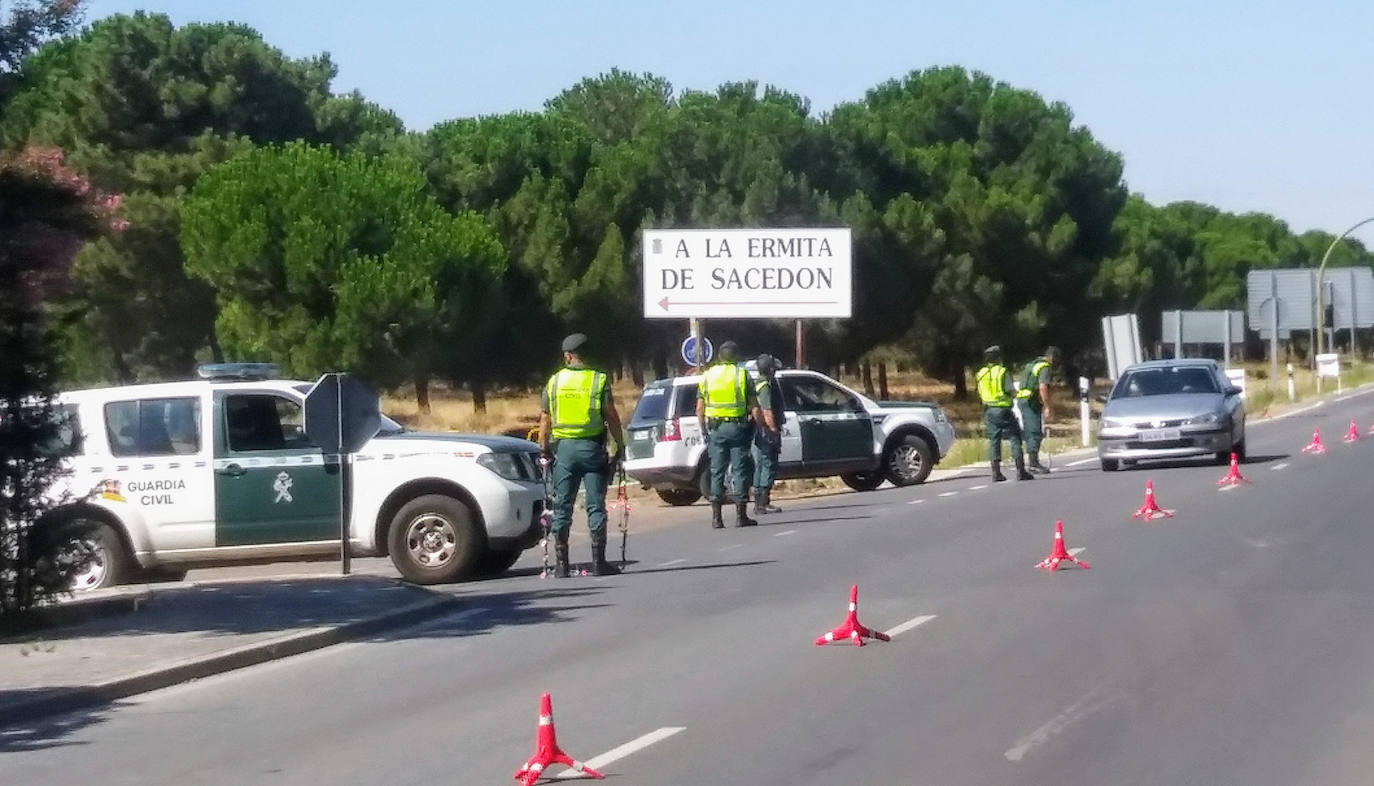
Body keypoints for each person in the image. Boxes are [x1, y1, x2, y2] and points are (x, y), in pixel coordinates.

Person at [538, 333, 625, 577]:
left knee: (563, 505)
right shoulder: (598, 380)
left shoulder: (554, 382)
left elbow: (545, 418)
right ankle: (599, 561)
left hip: (564, 450)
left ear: (567, 356)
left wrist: (544, 448)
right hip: (592, 449)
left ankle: (561, 564)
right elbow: (611, 415)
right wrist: (620, 444)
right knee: (595, 505)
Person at [696, 340, 763, 528]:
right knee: (740, 470)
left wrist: (704, 430)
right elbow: (754, 406)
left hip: (716, 429)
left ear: (719, 357)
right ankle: (741, 516)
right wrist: (761, 427)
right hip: (738, 429)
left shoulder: (707, 376)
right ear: (737, 358)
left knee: (716, 470)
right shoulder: (741, 375)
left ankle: (716, 518)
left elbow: (699, 408)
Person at [975, 345, 1033, 483]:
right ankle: (1020, 470)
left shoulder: (981, 373)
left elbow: (979, 392)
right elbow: (1010, 390)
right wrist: (1020, 394)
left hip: (989, 410)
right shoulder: (1002, 372)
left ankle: (996, 473)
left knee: (994, 441)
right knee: (1014, 436)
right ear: (998, 358)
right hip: (1003, 409)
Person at [1016, 346, 1061, 474]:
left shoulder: (1031, 364)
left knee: (1030, 431)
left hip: (1022, 400)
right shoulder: (1045, 367)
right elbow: (1042, 387)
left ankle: (1032, 462)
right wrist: (1047, 406)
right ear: (1052, 358)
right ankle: (1033, 463)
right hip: (1031, 401)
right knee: (1035, 432)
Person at [751, 353, 786, 515]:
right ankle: (763, 502)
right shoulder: (764, 386)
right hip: (765, 431)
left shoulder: (760, 383)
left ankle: (760, 502)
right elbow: (767, 411)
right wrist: (772, 430)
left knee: (762, 464)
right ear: (770, 369)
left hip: (760, 430)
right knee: (768, 464)